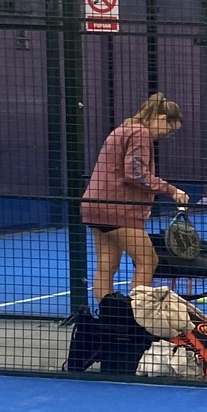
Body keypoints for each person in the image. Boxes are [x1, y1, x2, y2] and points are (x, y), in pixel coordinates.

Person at [80, 92, 188, 303]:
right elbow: (135, 173)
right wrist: (171, 190)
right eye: (169, 130)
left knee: (107, 264)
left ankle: (107, 315)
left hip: (94, 205)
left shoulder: (123, 129)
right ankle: (139, 313)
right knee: (147, 260)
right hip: (118, 208)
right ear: (161, 118)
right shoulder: (140, 133)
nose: (166, 135)